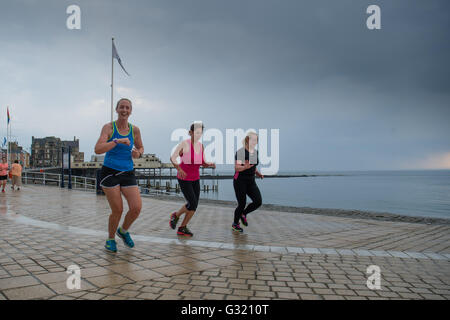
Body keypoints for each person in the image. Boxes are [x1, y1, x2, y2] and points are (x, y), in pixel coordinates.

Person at [94, 98, 144, 253]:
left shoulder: (134, 130)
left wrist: (138, 153)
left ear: (131, 111)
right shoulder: (109, 128)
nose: (124, 110)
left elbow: (141, 147)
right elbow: (98, 149)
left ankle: (123, 231)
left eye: (127, 108)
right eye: (121, 107)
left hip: (127, 172)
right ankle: (110, 239)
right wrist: (116, 141)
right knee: (118, 210)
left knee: (136, 207)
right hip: (110, 172)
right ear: (116, 110)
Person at [169, 122, 215, 236]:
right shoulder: (184, 144)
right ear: (190, 132)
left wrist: (209, 164)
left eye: (200, 133)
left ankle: (182, 227)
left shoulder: (201, 146)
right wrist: (179, 169)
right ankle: (176, 216)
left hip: (195, 178)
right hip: (184, 178)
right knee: (192, 203)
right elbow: (173, 158)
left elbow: (202, 162)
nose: (198, 135)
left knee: (194, 205)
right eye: (196, 132)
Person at [232, 131, 264, 233]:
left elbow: (253, 166)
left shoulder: (255, 152)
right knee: (242, 204)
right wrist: (244, 167)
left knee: (258, 201)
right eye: (254, 140)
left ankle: (243, 214)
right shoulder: (241, 152)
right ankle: (235, 224)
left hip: (251, 181)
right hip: (240, 181)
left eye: (257, 140)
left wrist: (257, 173)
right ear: (248, 140)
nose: (255, 142)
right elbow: (237, 168)